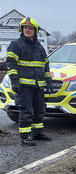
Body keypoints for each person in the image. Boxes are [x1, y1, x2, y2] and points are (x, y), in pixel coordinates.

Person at [6, 17, 53, 146]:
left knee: (39, 111)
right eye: (25, 28)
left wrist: (48, 80)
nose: (27, 30)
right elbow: (11, 64)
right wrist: (14, 81)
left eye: (30, 28)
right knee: (26, 112)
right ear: (22, 29)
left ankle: (37, 133)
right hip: (24, 86)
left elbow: (45, 64)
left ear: (35, 30)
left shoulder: (39, 47)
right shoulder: (16, 44)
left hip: (38, 86)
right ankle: (25, 136)